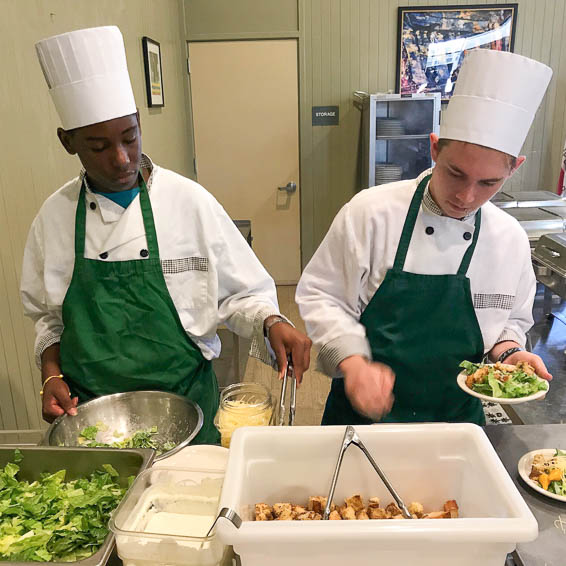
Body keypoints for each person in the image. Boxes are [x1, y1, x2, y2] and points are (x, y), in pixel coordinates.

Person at [22, 26, 311, 443]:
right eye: (99, 147)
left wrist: (271, 321)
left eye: (129, 137)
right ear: (68, 142)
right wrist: (52, 375)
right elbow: (49, 320)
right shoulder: (54, 218)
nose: (121, 159)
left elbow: (241, 293)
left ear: (139, 122)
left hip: (189, 409)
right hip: (95, 420)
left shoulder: (188, 203)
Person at [296, 49, 553, 426]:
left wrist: (509, 354)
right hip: (364, 418)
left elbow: (509, 322)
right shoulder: (371, 213)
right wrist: (353, 362)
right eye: (455, 173)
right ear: (434, 147)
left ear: (514, 169)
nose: (466, 197)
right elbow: (324, 295)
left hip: (456, 423)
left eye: (488, 183)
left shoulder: (509, 239)